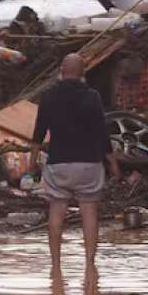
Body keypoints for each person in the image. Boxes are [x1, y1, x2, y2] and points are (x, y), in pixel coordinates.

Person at [31, 53, 122, 276]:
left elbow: (39, 132)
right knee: (89, 211)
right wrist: (112, 163)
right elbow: (102, 132)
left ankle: (56, 265)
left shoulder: (49, 96)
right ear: (82, 72)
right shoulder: (92, 96)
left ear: (62, 70)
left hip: (58, 163)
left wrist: (32, 162)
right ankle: (90, 264)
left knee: (56, 212)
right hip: (88, 163)